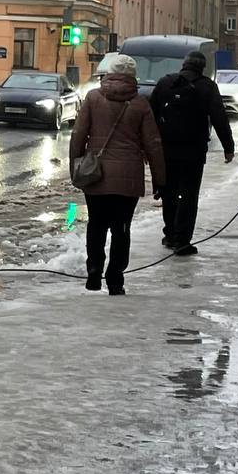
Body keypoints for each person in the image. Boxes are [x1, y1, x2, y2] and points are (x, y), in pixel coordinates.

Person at [69, 54, 166, 296]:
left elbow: (78, 137)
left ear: (109, 73)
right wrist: (160, 179)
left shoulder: (92, 98)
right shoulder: (141, 103)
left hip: (97, 174)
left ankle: (94, 269)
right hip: (128, 177)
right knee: (121, 228)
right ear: (133, 77)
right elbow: (153, 144)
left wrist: (75, 168)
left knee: (97, 224)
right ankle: (115, 278)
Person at [150, 51, 235, 256]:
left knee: (169, 193)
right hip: (193, 152)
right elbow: (219, 118)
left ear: (184, 64)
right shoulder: (207, 86)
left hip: (167, 150)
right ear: (202, 67)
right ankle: (182, 240)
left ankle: (170, 234)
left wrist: (150, 146)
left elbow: (150, 114)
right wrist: (228, 147)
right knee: (189, 195)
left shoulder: (165, 83)